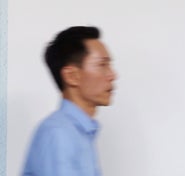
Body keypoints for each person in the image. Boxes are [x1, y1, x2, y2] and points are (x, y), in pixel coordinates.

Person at [22, 26, 117, 176]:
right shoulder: (58, 133)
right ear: (72, 76)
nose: (112, 75)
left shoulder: (81, 132)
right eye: (102, 65)